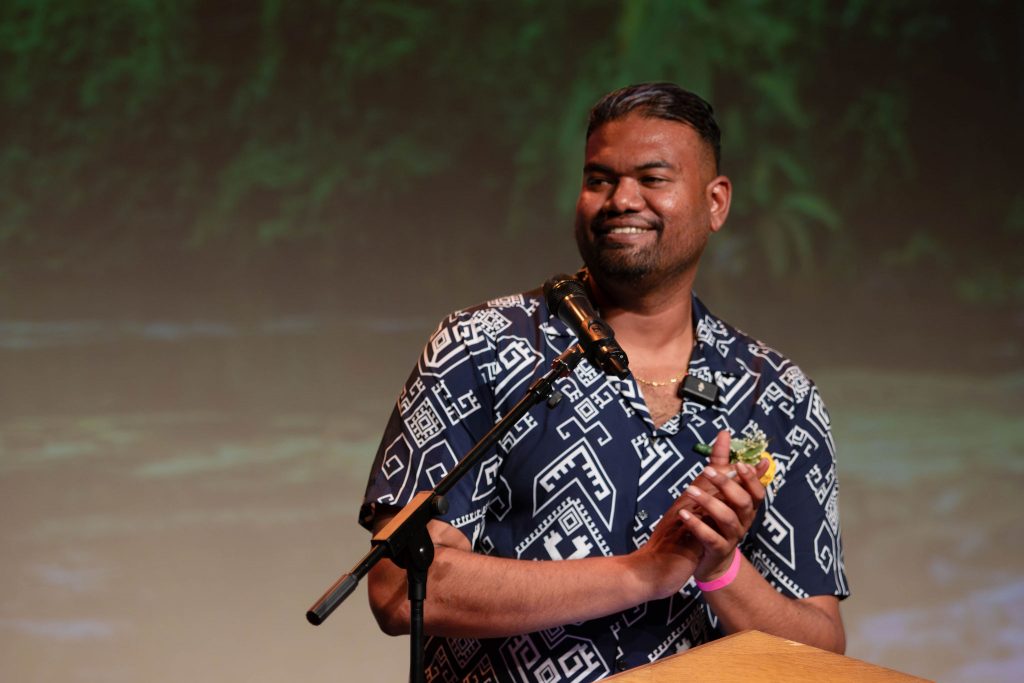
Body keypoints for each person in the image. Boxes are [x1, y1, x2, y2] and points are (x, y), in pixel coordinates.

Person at [361, 82, 848, 682]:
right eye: (599, 179)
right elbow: (400, 588)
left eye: (652, 178)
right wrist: (644, 572)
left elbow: (820, 654)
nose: (621, 199)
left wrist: (721, 570)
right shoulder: (480, 346)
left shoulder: (777, 394)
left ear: (716, 202)